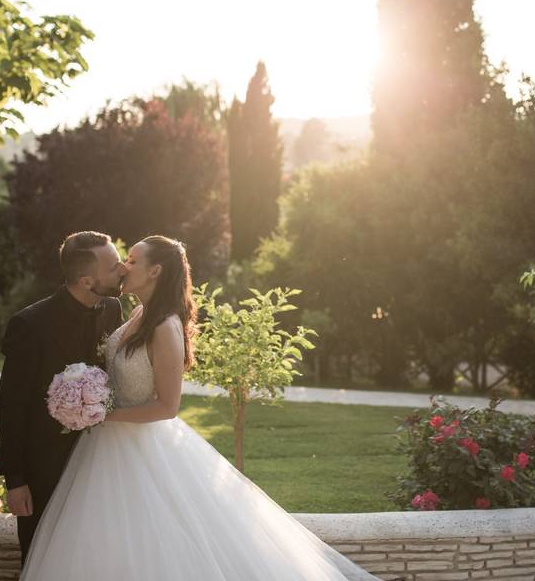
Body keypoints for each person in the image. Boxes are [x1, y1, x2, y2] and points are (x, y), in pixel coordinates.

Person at [19, 235, 387, 580]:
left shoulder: (164, 325)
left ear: (155, 271)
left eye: (131, 260)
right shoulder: (133, 314)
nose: (124, 267)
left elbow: (167, 406)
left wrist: (101, 414)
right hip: (104, 447)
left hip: (140, 445)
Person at [0, 231, 125, 565]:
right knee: (43, 555)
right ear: (86, 280)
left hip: (101, 459)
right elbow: (11, 405)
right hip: (44, 466)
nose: (122, 269)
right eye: (113, 266)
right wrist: (16, 480)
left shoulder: (113, 308)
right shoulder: (29, 324)